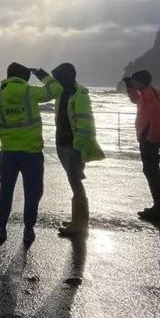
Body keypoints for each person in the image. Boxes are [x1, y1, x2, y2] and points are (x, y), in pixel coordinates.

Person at [0, 62, 62, 245]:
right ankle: (28, 230)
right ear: (25, 78)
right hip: (32, 152)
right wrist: (42, 74)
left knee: (6, 190)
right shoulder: (30, 92)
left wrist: (4, 133)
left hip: (9, 152)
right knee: (32, 193)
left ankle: (1, 227)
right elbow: (56, 89)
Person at [50, 63, 104, 238]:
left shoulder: (78, 95)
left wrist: (79, 147)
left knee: (76, 182)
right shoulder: (62, 90)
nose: (55, 80)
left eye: (58, 77)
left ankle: (79, 223)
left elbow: (86, 123)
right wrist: (38, 73)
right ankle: (78, 219)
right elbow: (49, 81)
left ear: (65, 77)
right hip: (62, 143)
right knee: (73, 181)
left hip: (73, 146)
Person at [123, 70, 160, 222]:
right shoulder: (146, 92)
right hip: (147, 136)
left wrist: (151, 138)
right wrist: (129, 87)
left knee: (152, 172)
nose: (133, 83)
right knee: (151, 171)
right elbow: (135, 100)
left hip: (149, 137)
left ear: (141, 81)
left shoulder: (150, 94)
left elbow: (156, 118)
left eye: (134, 81)